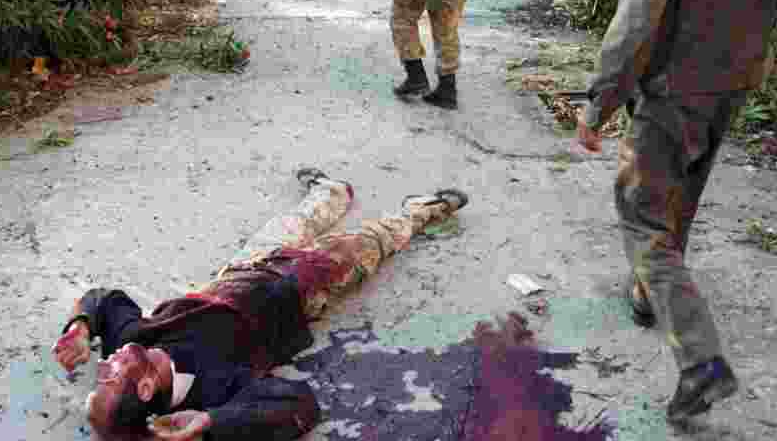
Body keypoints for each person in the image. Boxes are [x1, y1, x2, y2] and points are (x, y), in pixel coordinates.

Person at [574, 0, 777, 423]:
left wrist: (598, 105)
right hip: (734, 82)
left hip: (673, 89)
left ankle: (702, 364)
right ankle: (647, 297)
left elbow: (638, 18)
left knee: (642, 215)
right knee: (682, 195)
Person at [53, 168, 468, 440]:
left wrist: (80, 325)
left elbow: (102, 300)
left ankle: (332, 189)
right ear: (145, 388)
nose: (102, 363)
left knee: (303, 218)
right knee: (371, 242)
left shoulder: (129, 340)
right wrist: (212, 423)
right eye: (109, 377)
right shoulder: (215, 390)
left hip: (243, 269)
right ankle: (424, 211)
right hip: (300, 286)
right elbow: (300, 403)